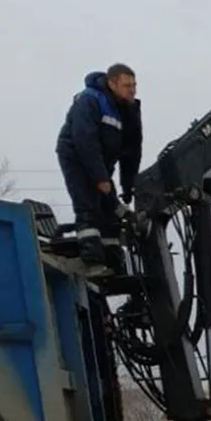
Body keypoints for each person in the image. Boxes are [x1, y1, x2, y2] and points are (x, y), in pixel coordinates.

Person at [55, 63, 142, 275]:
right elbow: (85, 140)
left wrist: (129, 186)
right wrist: (100, 177)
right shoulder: (90, 100)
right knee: (88, 207)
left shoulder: (129, 111)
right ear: (112, 83)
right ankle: (92, 263)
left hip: (101, 164)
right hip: (77, 157)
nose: (131, 90)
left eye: (134, 85)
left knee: (110, 212)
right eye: (126, 85)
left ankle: (113, 263)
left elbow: (132, 152)